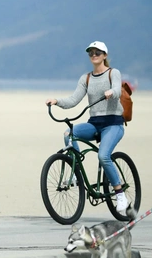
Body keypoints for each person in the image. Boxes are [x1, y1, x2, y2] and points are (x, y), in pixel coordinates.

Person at [45, 41, 128, 213]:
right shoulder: (86, 78)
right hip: (95, 124)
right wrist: (57, 101)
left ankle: (120, 194)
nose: (94, 55)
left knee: (103, 156)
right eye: (91, 53)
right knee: (69, 133)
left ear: (105, 55)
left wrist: (111, 92)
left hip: (113, 123)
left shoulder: (114, 73)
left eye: (98, 52)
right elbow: (74, 99)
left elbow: (118, 90)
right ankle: (76, 174)